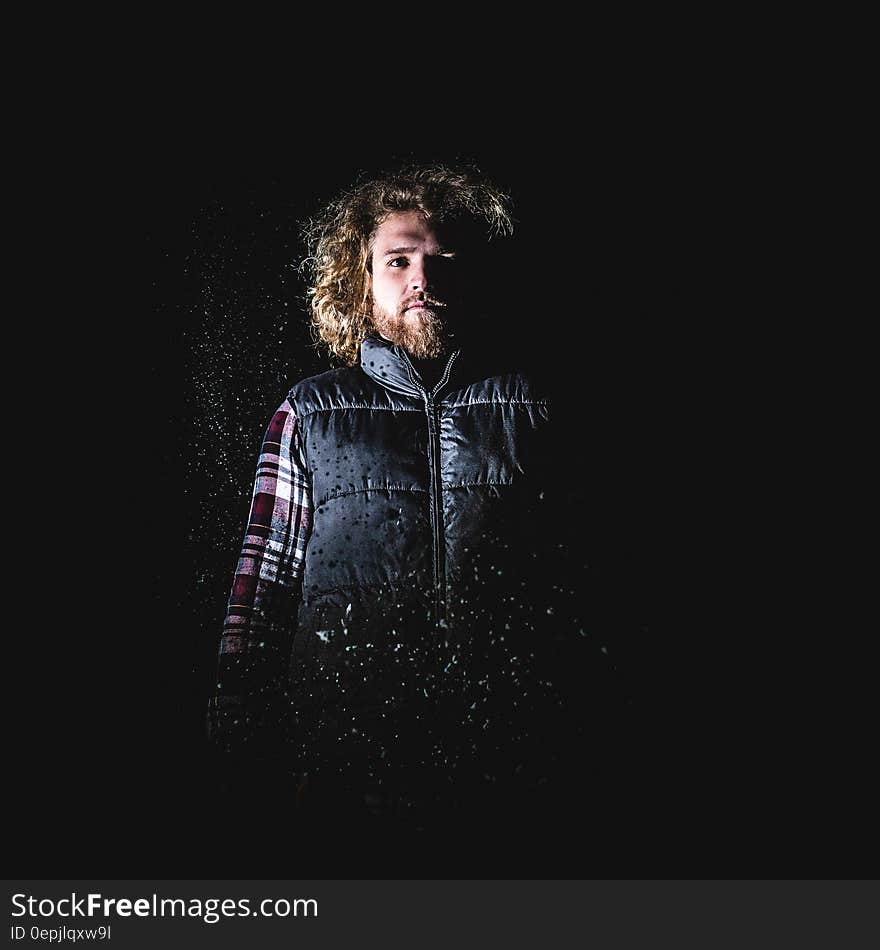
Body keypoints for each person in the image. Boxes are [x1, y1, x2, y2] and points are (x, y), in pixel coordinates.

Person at [207, 164, 612, 836]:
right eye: (398, 260)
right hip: (345, 764)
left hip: (514, 769)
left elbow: (591, 577)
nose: (423, 278)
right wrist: (237, 719)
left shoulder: (536, 405)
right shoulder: (310, 412)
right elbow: (265, 580)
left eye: (443, 259)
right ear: (361, 284)